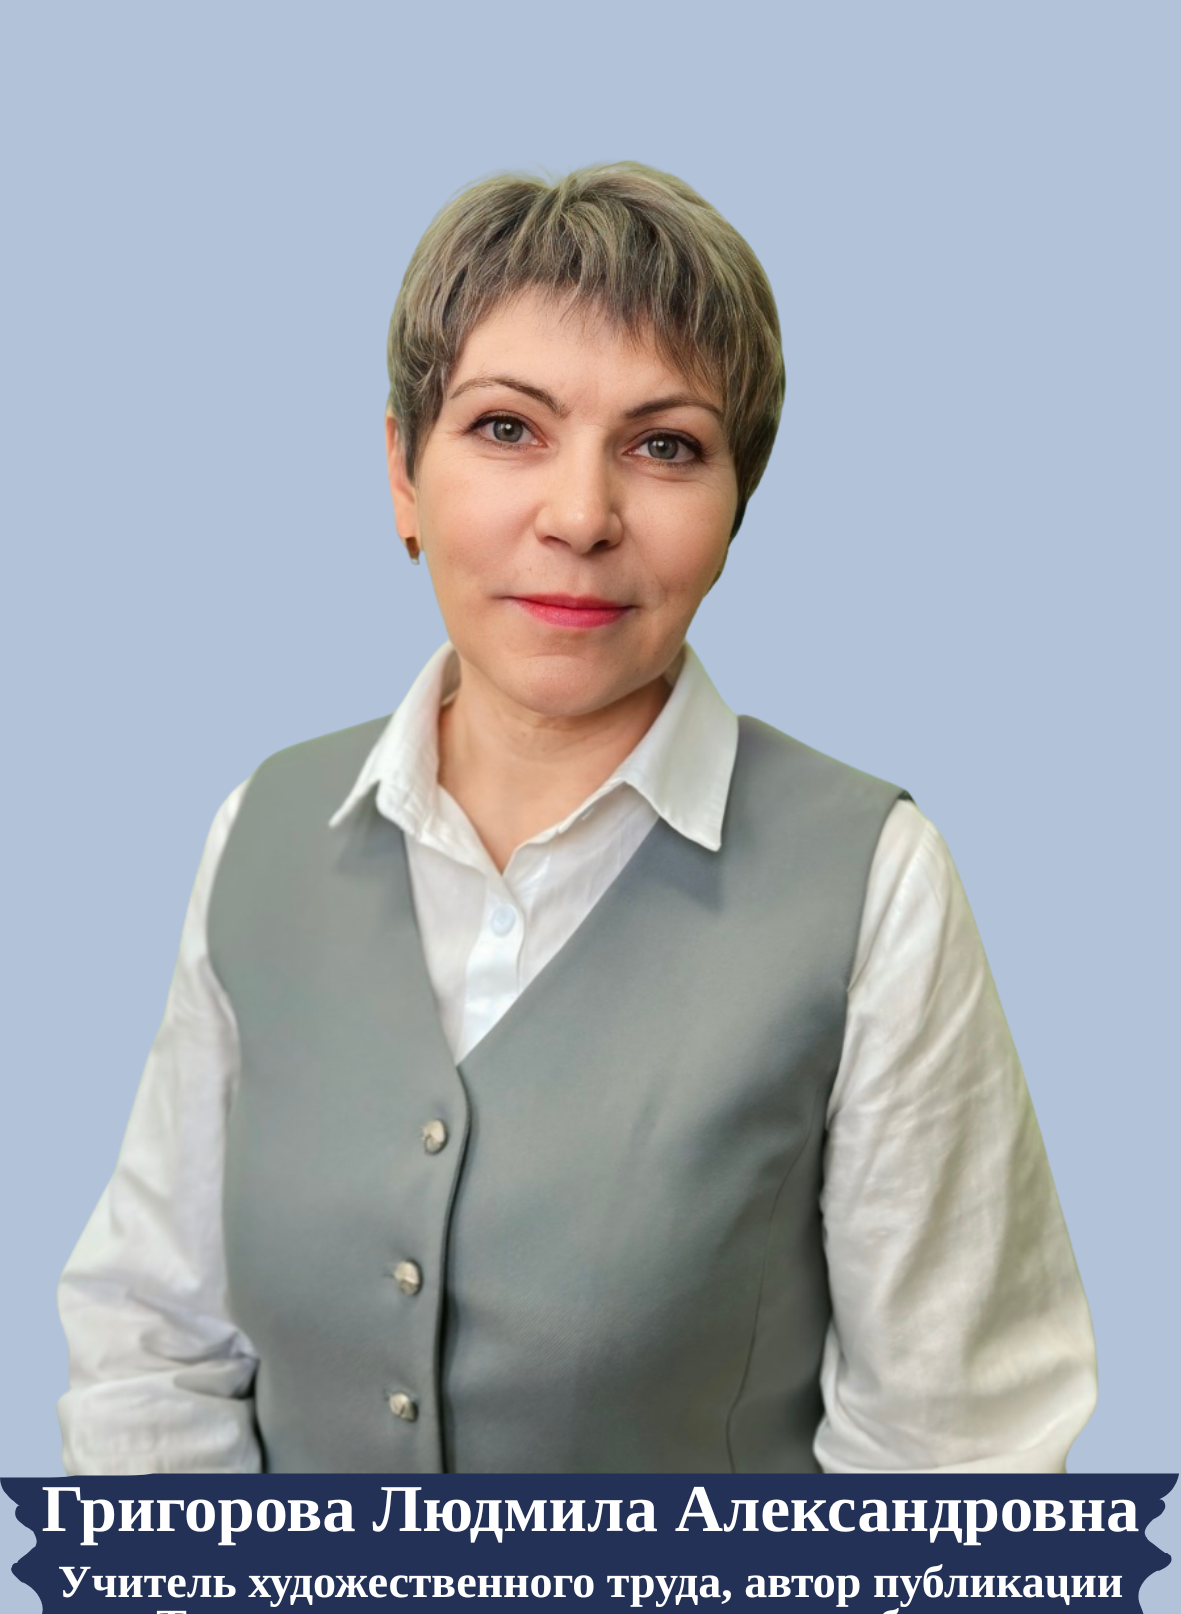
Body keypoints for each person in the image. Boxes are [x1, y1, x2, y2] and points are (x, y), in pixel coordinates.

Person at [57, 163, 1096, 1475]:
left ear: (737, 507)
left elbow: (958, 1458)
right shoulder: (262, 830)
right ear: (402, 473)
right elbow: (151, 1341)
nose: (581, 516)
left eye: (665, 446)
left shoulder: (874, 882)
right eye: (508, 428)